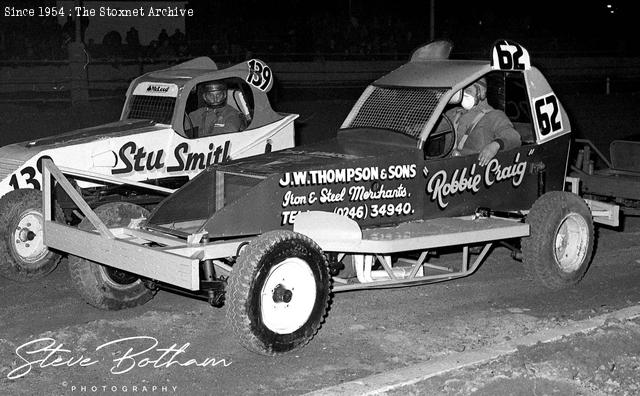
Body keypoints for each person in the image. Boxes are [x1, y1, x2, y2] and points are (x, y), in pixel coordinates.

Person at [446, 78, 521, 166]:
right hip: (448, 168)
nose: (464, 95)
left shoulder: (495, 115)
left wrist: (495, 145)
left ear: (482, 93)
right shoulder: (453, 113)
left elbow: (514, 137)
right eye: (463, 91)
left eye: (469, 91)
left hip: (475, 170)